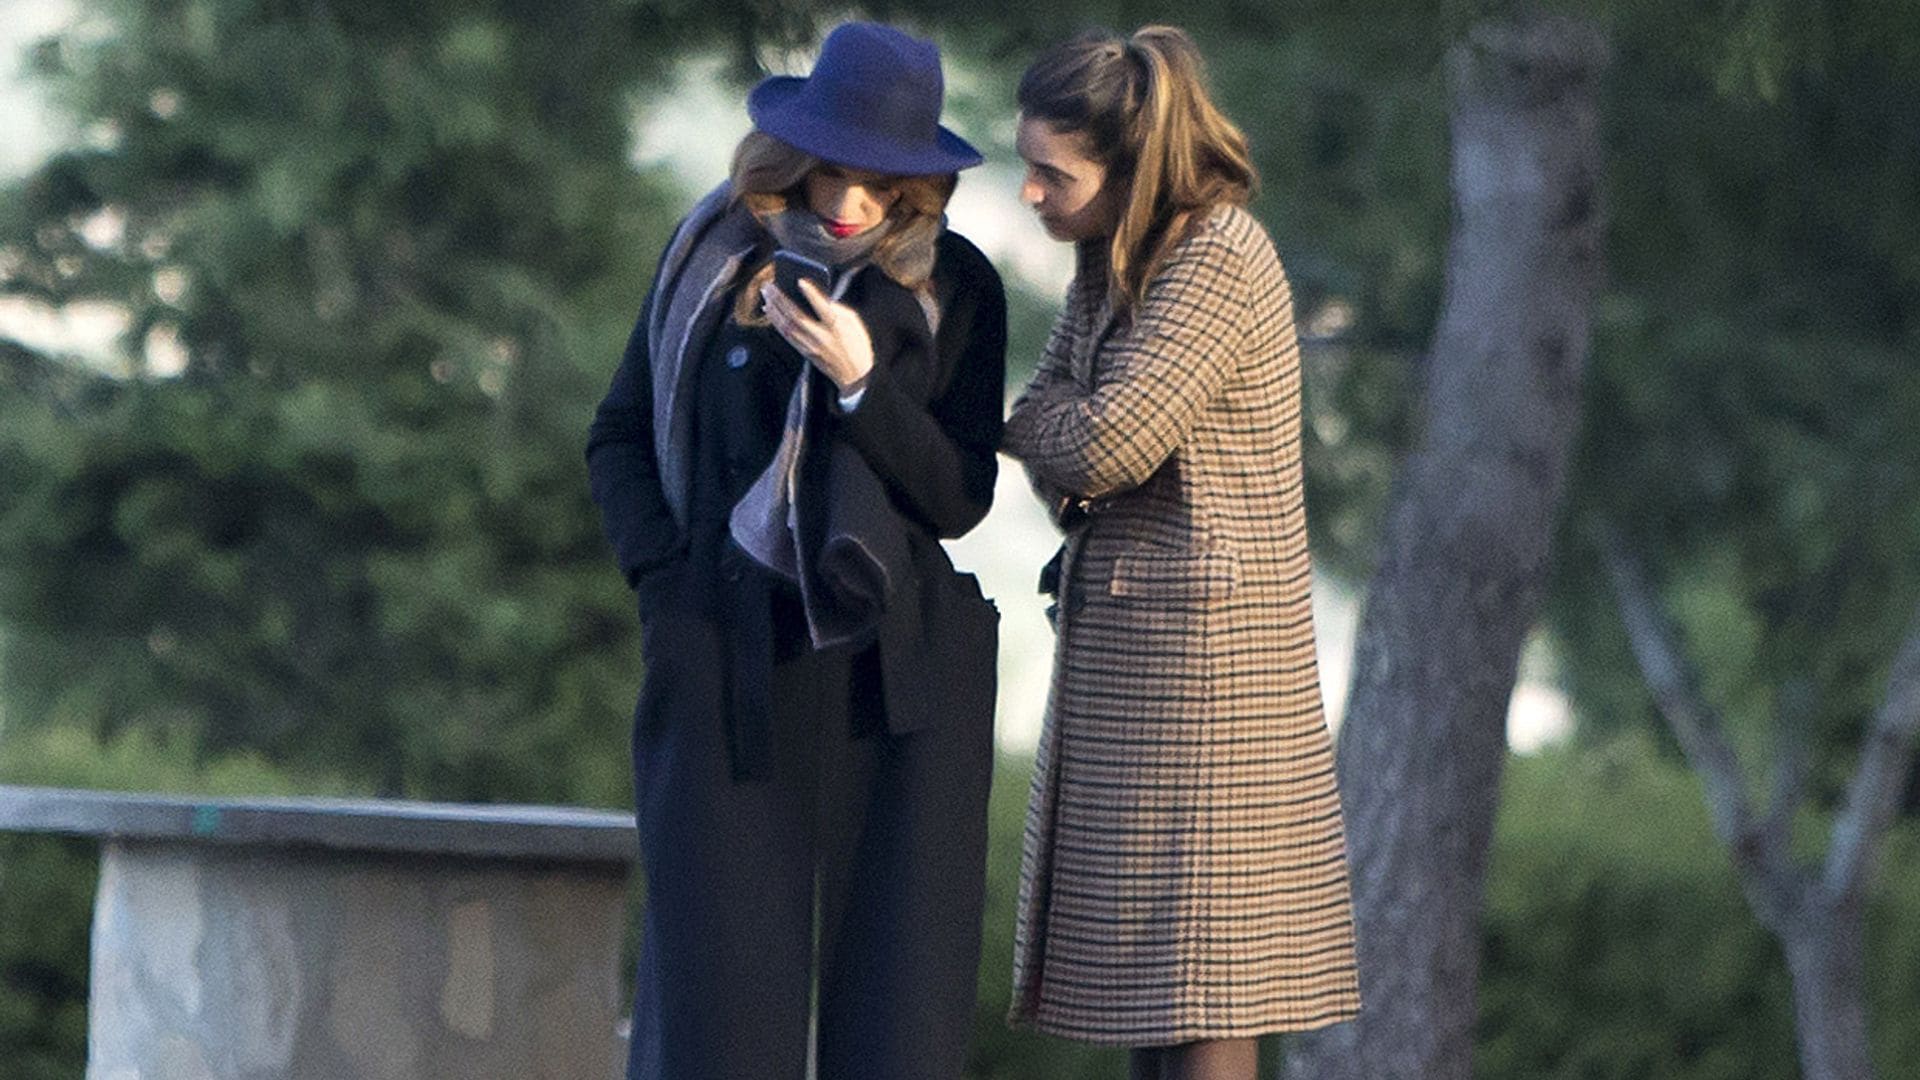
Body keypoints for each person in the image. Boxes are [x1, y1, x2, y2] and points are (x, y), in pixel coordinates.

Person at [585, 22, 1006, 1080]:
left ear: (920, 183)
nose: (853, 203)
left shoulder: (956, 284)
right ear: (796, 155)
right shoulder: (711, 251)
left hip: (894, 671)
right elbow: (619, 435)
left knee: (898, 1026)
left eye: (885, 181)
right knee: (714, 1023)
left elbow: (960, 496)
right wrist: (665, 589)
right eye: (835, 171)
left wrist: (865, 388)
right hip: (724, 648)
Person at [1002, 25, 1363, 1080]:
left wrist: (1058, 426)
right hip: (1150, 666)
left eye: (1049, 172)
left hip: (1211, 678)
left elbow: (1103, 440)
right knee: (1155, 987)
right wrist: (1061, 426)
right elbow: (1054, 420)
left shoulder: (1217, 255)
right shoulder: (1113, 261)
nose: (1031, 193)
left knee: (1209, 986)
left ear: (1128, 163)